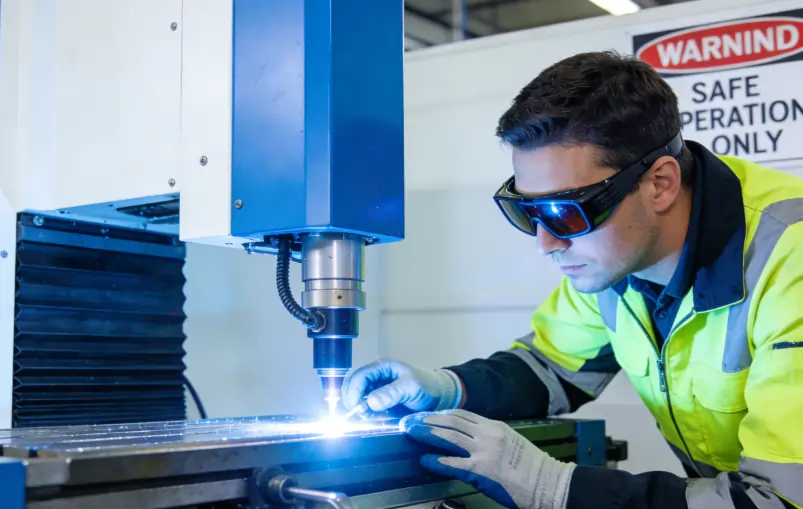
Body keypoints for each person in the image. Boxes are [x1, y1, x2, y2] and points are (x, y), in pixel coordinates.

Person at [340, 51, 803, 509]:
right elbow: (551, 368)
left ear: (660, 183)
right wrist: (446, 387)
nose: (546, 243)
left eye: (566, 212)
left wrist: (556, 488)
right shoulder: (616, 259)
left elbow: (780, 501)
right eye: (529, 211)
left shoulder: (788, 260)